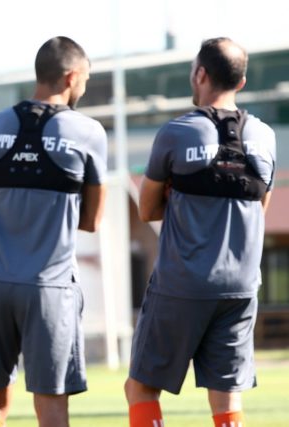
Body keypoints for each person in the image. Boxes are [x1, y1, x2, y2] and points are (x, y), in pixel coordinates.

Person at [125, 37, 276, 427]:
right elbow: (259, 211)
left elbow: (146, 210)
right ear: (241, 82)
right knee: (226, 395)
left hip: (183, 281)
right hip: (241, 287)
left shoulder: (177, 132)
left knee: (141, 388)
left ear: (200, 74)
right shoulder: (266, 136)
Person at [0, 36, 107, 427]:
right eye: (85, 80)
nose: (83, 88)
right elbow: (92, 221)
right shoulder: (87, 131)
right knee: (50, 406)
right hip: (49, 286)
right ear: (71, 76)